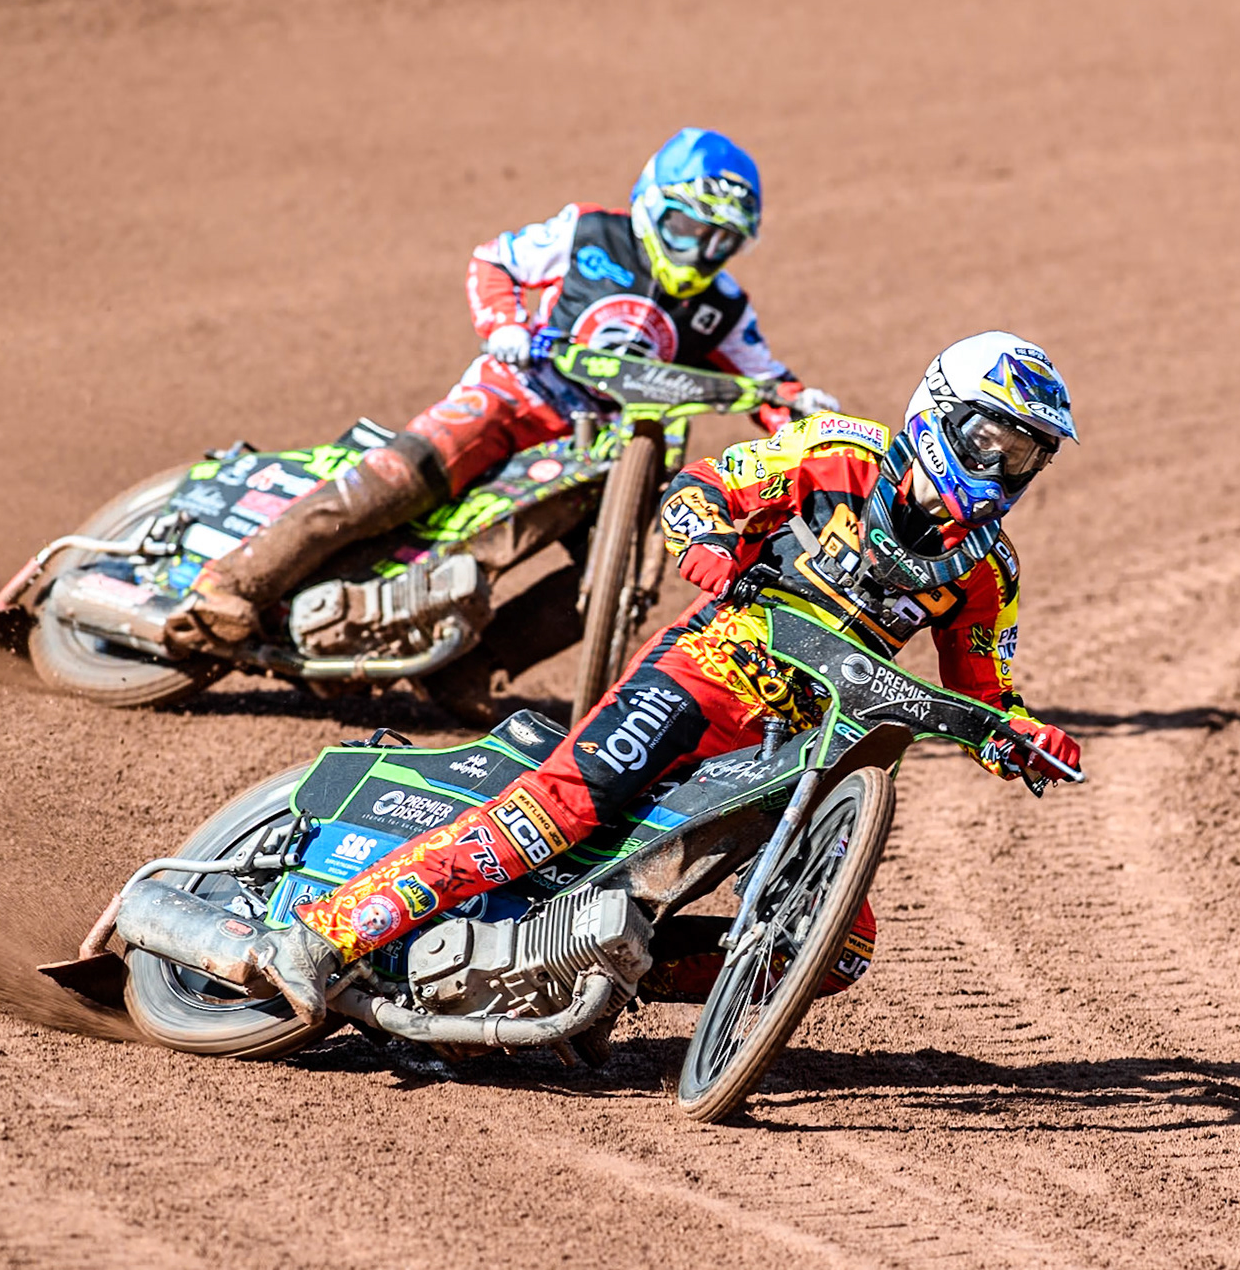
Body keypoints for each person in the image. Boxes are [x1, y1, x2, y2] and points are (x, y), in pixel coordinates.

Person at [244, 331, 1084, 1024]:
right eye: (990, 441)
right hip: (710, 674)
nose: (1002, 470)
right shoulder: (839, 455)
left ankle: (598, 973)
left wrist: (1019, 740)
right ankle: (322, 938)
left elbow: (983, 696)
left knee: (837, 946)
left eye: (1024, 458)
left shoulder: (990, 574)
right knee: (557, 813)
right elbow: (705, 490)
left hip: (812, 747)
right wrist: (709, 543)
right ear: (940, 414)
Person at [164, 128, 840, 653]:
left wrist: (806, 414)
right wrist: (506, 325)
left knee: (621, 574)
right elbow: (494, 260)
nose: (698, 251)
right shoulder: (588, 232)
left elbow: (763, 383)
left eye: (718, 240)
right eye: (687, 229)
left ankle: (471, 672)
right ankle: (230, 585)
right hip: (517, 391)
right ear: (650, 205)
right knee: (399, 478)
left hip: (609, 448)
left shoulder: (723, 307)